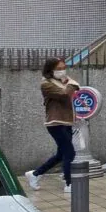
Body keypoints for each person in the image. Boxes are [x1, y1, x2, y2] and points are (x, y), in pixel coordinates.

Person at [24, 58, 79, 194]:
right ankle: (68, 183)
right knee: (69, 152)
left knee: (61, 154)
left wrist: (71, 84)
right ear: (50, 70)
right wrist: (72, 84)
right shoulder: (46, 84)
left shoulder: (62, 82)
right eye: (59, 69)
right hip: (55, 123)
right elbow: (65, 94)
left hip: (67, 121)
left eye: (63, 68)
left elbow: (71, 92)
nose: (62, 71)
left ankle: (35, 174)